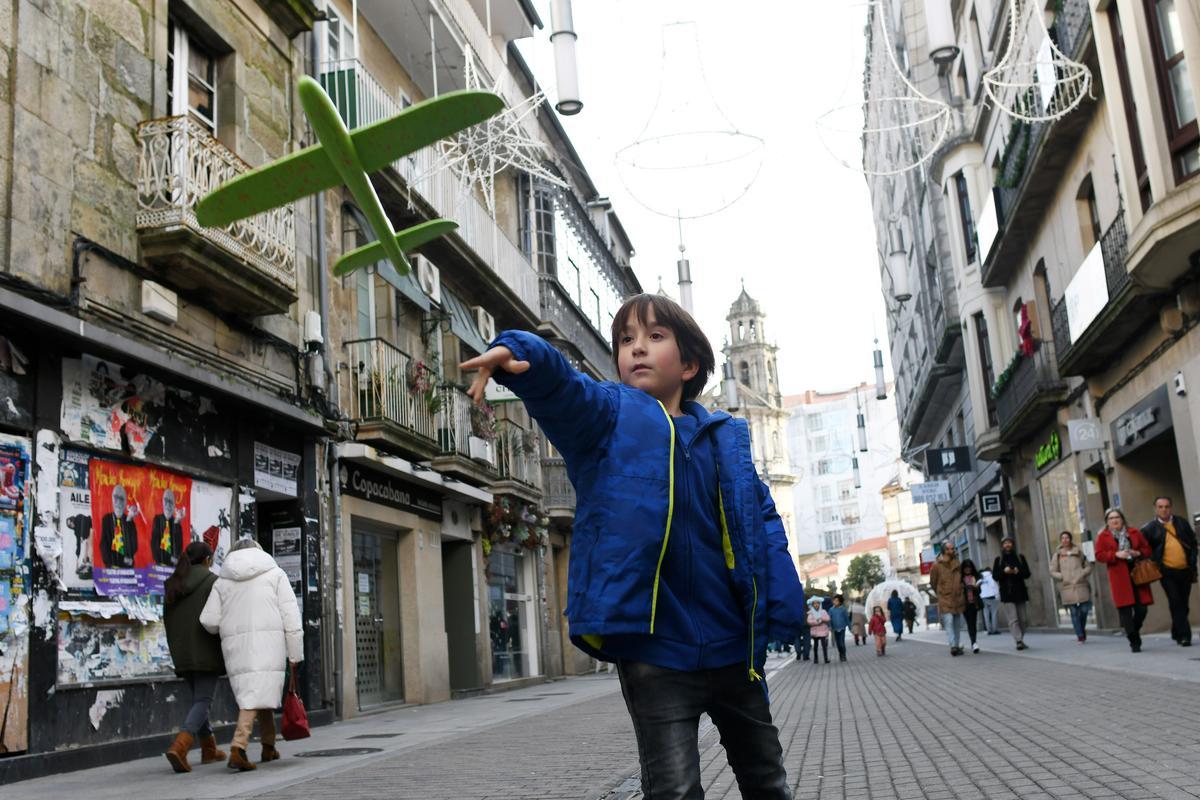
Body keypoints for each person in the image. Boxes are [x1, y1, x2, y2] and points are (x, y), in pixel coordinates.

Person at [461, 294, 804, 798]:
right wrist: (521, 354)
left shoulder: (725, 439)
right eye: (626, 340)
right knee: (674, 790)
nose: (637, 349)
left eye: (654, 337)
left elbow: (762, 523)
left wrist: (783, 603)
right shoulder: (608, 420)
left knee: (767, 780)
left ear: (689, 364)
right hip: (656, 651)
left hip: (733, 648)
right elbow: (565, 388)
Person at [200, 538, 303, 771]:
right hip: (270, 644)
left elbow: (208, 620)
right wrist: (295, 654)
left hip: (236, 647)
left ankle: (268, 745)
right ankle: (239, 747)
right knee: (255, 693)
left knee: (255, 690)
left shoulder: (222, 581)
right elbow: (291, 617)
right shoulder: (275, 574)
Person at [162, 541, 226, 773]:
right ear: (208, 560)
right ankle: (180, 746)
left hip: (182, 652)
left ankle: (209, 748)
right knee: (203, 701)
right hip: (205, 650)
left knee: (198, 700)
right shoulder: (213, 582)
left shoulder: (173, 583)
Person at [1095, 508, 1153, 653]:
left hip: (1137, 574)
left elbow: (1147, 549)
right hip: (1119, 577)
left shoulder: (1134, 532)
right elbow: (1099, 555)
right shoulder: (1103, 536)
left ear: (1122, 519)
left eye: (1117, 517)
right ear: (1107, 522)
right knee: (1125, 610)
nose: (1115, 520)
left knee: (1142, 609)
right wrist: (1115, 554)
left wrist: (1137, 552)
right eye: (1111, 518)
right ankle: (1134, 640)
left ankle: (1134, 630)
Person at [1140, 496, 1197, 647]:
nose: (1164, 510)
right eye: (1160, 507)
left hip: (1185, 570)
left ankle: (1176, 629)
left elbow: (1192, 542)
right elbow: (1144, 549)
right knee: (1175, 601)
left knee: (1183, 604)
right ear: (1155, 508)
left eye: (1166, 506)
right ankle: (1185, 636)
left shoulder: (1181, 522)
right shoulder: (1149, 528)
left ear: (1170, 508)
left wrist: (1192, 560)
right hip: (1166, 572)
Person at [1049, 531, 1093, 643]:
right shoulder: (1057, 554)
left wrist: (1082, 573)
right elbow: (1052, 571)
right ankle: (1080, 635)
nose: (1065, 540)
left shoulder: (1078, 552)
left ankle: (1081, 629)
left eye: (1067, 537)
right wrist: (1062, 577)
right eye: (1062, 538)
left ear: (1070, 539)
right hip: (1067, 586)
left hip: (1080, 584)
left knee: (1084, 610)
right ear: (1060, 540)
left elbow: (1088, 566)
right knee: (1073, 612)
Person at [992, 537, 1031, 651]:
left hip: (1020, 592)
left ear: (1013, 544)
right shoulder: (998, 560)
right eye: (1005, 543)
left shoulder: (1020, 557)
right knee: (1013, 619)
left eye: (1009, 543)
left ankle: (1020, 639)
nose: (1007, 545)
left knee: (1023, 619)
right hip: (1007, 593)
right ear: (1002, 545)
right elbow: (995, 576)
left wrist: (1018, 571)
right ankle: (1018, 640)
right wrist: (1004, 571)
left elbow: (1027, 574)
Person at [928, 541, 965, 656]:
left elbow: (962, 579)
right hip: (945, 598)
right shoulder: (936, 566)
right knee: (948, 622)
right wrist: (940, 592)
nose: (951, 551)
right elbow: (933, 582)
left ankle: (957, 645)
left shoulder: (957, 563)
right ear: (944, 551)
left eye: (952, 549)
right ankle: (953, 645)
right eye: (949, 549)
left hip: (958, 597)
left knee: (957, 624)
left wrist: (960, 589)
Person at [100, 484, 139, 568]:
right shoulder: (106, 519)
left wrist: (128, 522)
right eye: (116, 498)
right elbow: (104, 546)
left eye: (121, 499)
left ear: (125, 502)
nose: (118, 503)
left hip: (127, 568)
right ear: (112, 500)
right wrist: (117, 561)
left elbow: (133, 548)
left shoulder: (129, 521)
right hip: (111, 566)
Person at [151, 489, 187, 567]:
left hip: (172, 567)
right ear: (162, 503)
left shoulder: (177, 523)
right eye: (166, 501)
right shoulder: (157, 519)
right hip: (159, 564)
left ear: (174, 505)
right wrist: (162, 558)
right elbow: (154, 543)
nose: (168, 505)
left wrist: (177, 522)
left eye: (170, 502)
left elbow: (178, 548)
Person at [960, 559, 983, 654]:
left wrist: (975, 587)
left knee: (973, 623)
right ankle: (973, 642)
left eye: (969, 568)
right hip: (965, 604)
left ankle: (974, 642)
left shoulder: (976, 577)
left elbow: (979, 592)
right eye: (965, 568)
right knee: (970, 623)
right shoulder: (960, 579)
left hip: (974, 603)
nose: (967, 570)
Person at [807, 597, 831, 665]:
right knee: (816, 645)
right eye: (814, 603)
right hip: (815, 632)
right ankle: (816, 658)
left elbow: (828, 618)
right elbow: (809, 621)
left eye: (817, 603)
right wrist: (816, 622)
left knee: (824, 646)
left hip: (822, 631)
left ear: (820, 604)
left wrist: (822, 619)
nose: (816, 605)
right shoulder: (810, 613)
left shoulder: (823, 611)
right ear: (812, 605)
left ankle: (826, 658)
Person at [979, 568, 1001, 634]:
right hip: (992, 596)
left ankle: (988, 630)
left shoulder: (980, 578)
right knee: (994, 613)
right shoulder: (991, 576)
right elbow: (994, 586)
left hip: (983, 597)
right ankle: (995, 629)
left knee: (986, 613)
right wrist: (997, 595)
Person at [829, 594, 850, 662]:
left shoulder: (843, 609)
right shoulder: (831, 610)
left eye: (837, 601)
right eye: (834, 600)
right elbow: (829, 619)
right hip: (835, 628)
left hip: (842, 628)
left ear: (840, 602)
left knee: (842, 642)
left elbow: (847, 618)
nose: (835, 602)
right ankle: (840, 654)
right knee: (838, 643)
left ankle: (843, 655)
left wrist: (850, 627)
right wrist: (830, 626)